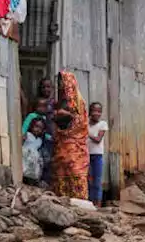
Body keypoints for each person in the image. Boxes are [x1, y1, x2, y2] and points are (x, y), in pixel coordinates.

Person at [51, 71, 90, 199]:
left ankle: (79, 200)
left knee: (76, 170)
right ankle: (63, 199)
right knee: (61, 170)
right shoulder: (60, 101)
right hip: (62, 143)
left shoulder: (78, 102)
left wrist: (66, 114)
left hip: (74, 143)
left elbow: (82, 121)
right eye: (59, 83)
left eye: (63, 82)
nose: (61, 85)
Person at [87, 102, 109, 204]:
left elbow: (98, 139)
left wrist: (86, 132)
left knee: (97, 180)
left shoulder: (103, 124)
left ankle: (98, 203)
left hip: (97, 155)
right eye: (94, 111)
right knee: (88, 180)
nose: (97, 113)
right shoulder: (85, 124)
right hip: (86, 155)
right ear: (90, 112)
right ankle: (90, 202)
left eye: (99, 111)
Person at [22, 117, 46, 186]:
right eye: (36, 126)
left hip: (34, 159)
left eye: (40, 128)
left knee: (32, 172)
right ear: (31, 126)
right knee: (25, 169)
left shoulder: (40, 140)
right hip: (26, 156)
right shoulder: (27, 135)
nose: (38, 129)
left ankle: (31, 183)